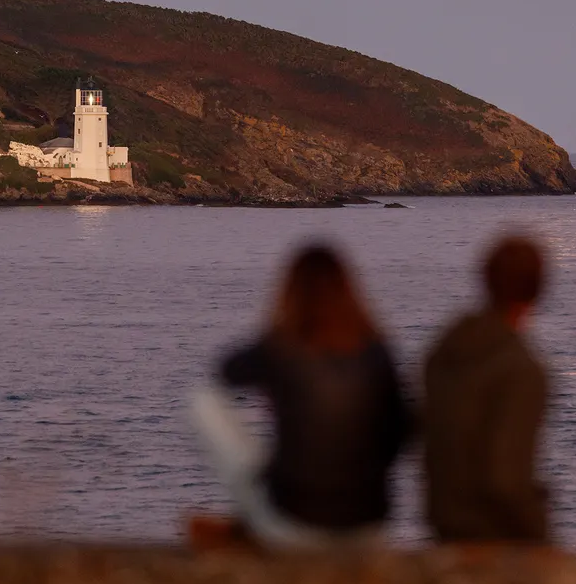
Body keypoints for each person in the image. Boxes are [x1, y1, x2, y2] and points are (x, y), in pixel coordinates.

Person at [191, 244, 412, 550]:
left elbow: (226, 370)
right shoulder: (378, 352)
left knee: (202, 401)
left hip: (293, 520)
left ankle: (252, 519)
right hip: (368, 521)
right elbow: (398, 435)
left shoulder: (281, 348)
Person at [421, 235, 550, 544]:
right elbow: (504, 479)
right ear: (537, 289)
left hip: (442, 524)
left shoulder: (444, 351)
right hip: (492, 536)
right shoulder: (521, 370)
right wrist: (540, 536)